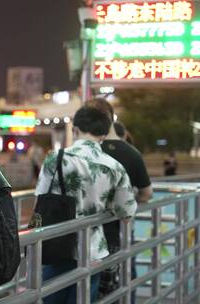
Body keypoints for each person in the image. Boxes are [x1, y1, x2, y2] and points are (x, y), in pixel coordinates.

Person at [35, 105, 137, 304]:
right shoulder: (114, 166)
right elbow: (127, 212)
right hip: (93, 249)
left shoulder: (55, 159)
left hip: (56, 245)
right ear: (105, 134)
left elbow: (40, 199)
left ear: (75, 130)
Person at [87, 99, 152, 302]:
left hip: (85, 237)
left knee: (89, 289)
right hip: (119, 233)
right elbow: (146, 193)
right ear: (112, 118)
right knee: (124, 283)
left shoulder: (85, 152)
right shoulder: (132, 154)